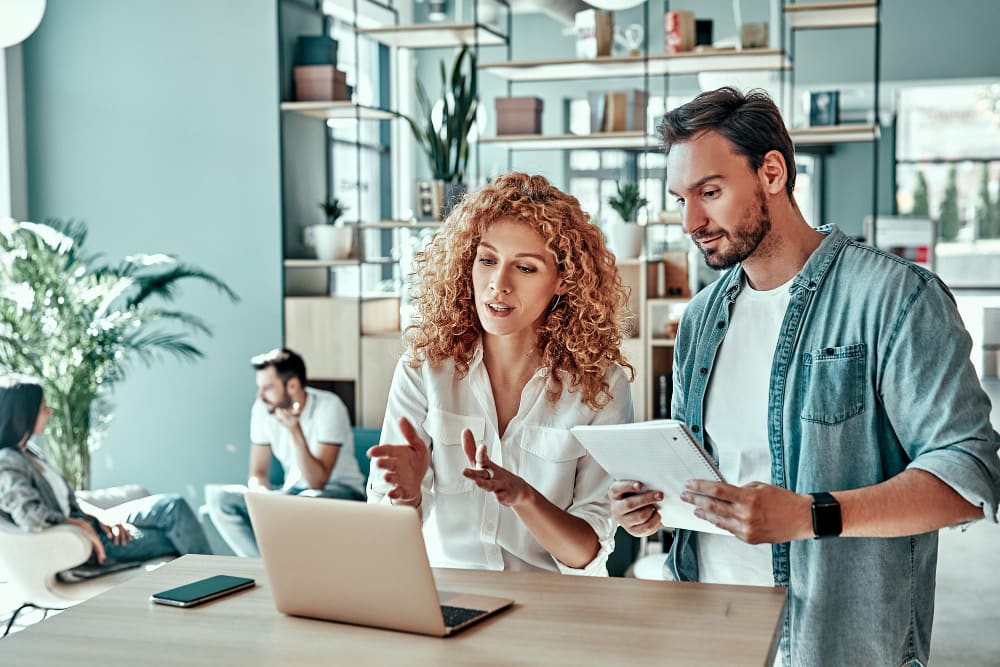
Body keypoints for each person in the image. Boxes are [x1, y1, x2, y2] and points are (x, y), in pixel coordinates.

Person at [611, 87, 1000, 666]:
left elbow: (970, 476)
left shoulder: (896, 297)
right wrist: (651, 505)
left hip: (836, 642)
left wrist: (809, 514)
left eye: (710, 193)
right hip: (710, 630)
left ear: (772, 172)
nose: (691, 220)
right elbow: (716, 473)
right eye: (681, 199)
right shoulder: (699, 319)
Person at [367, 172, 634, 575]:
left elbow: (586, 551)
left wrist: (523, 497)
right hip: (447, 595)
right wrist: (405, 497)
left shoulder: (600, 383)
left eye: (525, 268)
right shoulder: (424, 368)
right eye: (487, 260)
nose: (498, 284)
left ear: (563, 279)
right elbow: (387, 539)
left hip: (552, 611)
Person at [0, 375, 211, 572]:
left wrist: (101, 515)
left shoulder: (29, 452)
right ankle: (216, 583)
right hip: (82, 542)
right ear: (24, 413)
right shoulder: (6, 462)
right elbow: (31, 516)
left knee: (173, 505)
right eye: (43, 407)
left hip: (90, 524)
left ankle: (219, 583)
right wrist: (80, 524)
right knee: (177, 534)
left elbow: (65, 501)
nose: (49, 412)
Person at [205, 348, 364, 556]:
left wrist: (294, 429)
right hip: (292, 495)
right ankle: (262, 565)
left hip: (340, 492)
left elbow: (317, 481)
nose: (260, 396)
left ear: (292, 385)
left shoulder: (329, 407)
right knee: (220, 498)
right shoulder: (261, 409)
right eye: (259, 388)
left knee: (306, 501)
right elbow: (258, 473)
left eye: (268, 388)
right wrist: (262, 497)